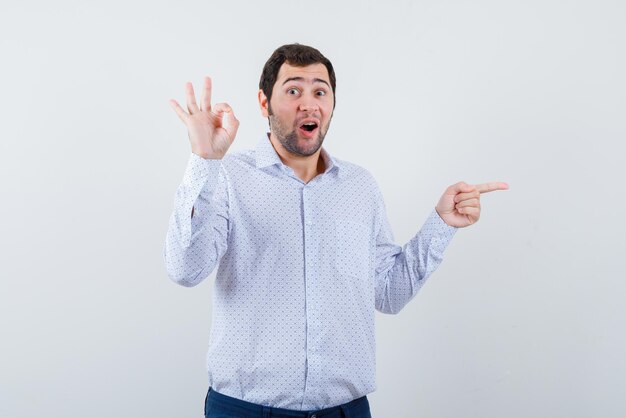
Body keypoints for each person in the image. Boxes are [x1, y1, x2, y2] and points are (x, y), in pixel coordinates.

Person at [164, 43, 508, 418]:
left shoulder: (360, 186)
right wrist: (203, 161)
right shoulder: (227, 177)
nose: (309, 104)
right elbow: (185, 269)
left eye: (320, 91)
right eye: (293, 90)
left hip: (345, 412)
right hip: (245, 410)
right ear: (264, 103)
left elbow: (388, 293)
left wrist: (441, 224)